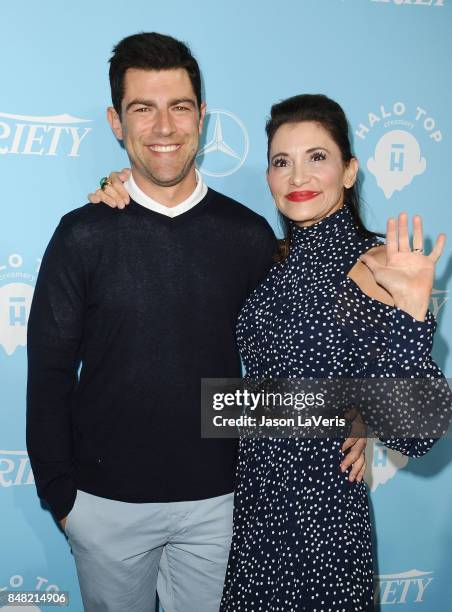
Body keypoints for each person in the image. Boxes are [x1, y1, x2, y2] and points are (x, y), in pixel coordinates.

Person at [26, 34, 366, 612]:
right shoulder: (83, 232)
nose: (164, 126)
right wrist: (63, 498)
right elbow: (49, 374)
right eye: (143, 108)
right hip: (104, 509)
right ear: (116, 121)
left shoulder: (250, 235)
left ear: (202, 117)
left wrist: (357, 410)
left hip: (225, 505)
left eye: (179, 106)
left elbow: (293, 356)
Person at [96, 94, 450, 611]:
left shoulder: (380, 265)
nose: (298, 175)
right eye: (282, 161)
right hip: (253, 513)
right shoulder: (272, 257)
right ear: (268, 177)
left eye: (318, 157)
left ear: (349, 171)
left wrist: (413, 310)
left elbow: (418, 435)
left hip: (323, 525)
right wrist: (120, 188)